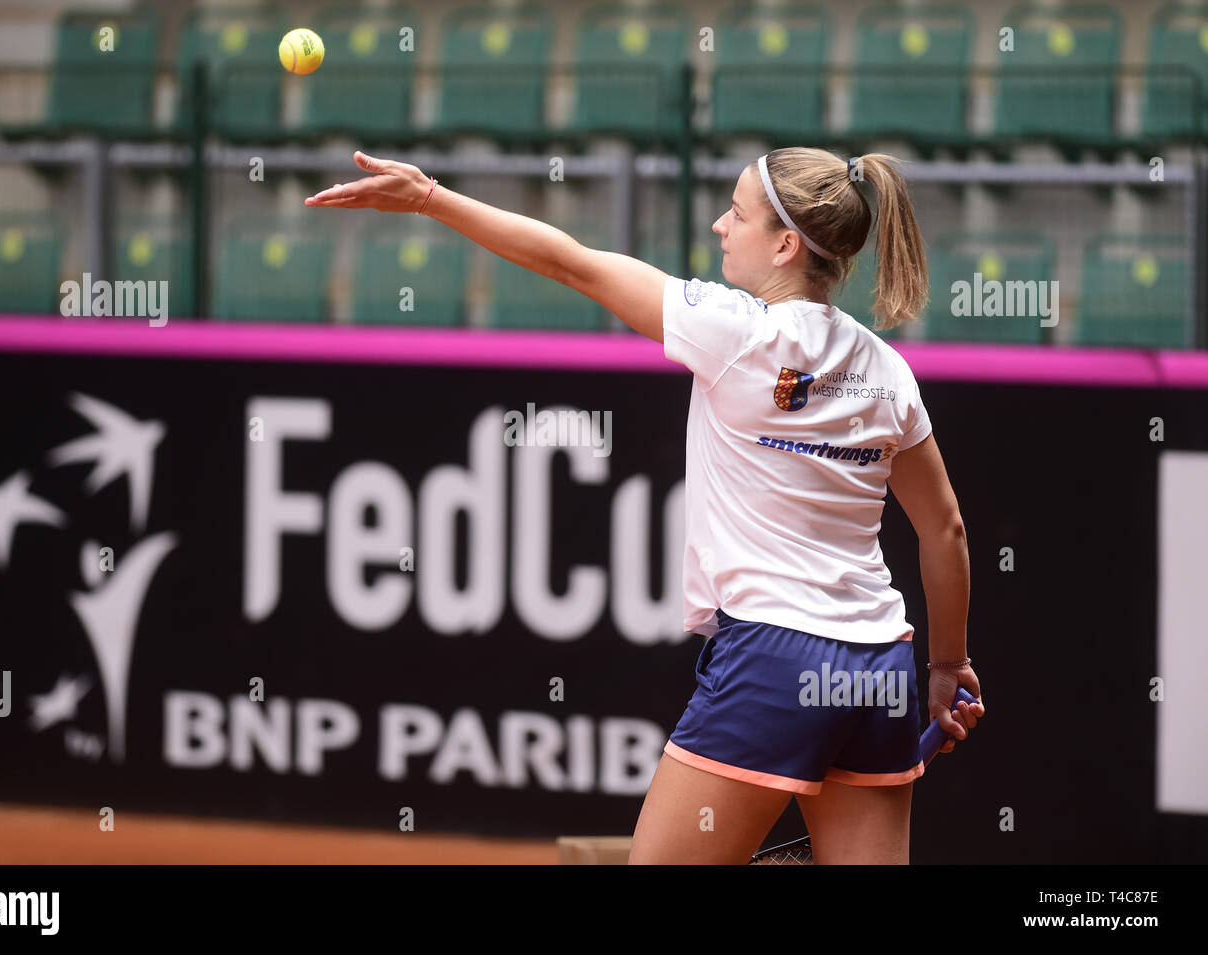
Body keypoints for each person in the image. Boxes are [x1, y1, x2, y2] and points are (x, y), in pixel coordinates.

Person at [305, 146, 984, 865]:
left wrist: (429, 199)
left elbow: (571, 262)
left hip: (776, 662)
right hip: (879, 664)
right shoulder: (887, 370)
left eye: (738, 213)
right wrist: (945, 664)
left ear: (786, 245)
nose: (721, 225)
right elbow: (945, 528)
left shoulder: (736, 332)